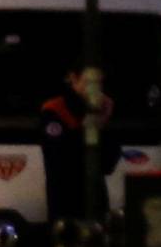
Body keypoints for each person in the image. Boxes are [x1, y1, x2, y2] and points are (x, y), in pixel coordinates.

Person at [39, 67, 121, 225]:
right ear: (73, 79)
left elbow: (109, 162)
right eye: (89, 82)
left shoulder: (100, 111)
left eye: (99, 83)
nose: (94, 90)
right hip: (66, 205)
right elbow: (62, 157)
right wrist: (91, 121)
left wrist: (102, 121)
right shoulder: (54, 110)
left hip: (96, 203)